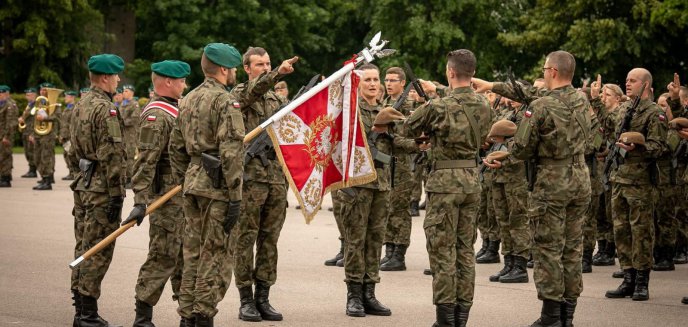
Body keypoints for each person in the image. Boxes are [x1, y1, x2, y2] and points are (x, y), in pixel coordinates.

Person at [474, 50, 591, 326]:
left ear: (552, 71)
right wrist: (492, 86)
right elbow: (595, 138)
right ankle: (567, 316)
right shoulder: (582, 101)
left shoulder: (541, 107)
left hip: (552, 181)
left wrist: (503, 156)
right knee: (573, 248)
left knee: (548, 249)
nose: (542, 73)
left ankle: (551, 317)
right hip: (580, 177)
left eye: (544, 69)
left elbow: (523, 147)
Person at [406, 49, 492, 327]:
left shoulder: (438, 106)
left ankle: (445, 319)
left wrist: (428, 101)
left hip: (444, 182)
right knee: (465, 250)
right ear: (474, 73)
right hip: (471, 179)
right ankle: (461, 317)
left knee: (443, 252)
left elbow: (409, 127)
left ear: (450, 72)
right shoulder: (484, 105)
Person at [169, 43, 245, 326]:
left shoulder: (187, 99)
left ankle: (187, 316)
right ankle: (202, 316)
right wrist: (235, 195)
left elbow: (175, 148)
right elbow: (231, 151)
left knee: (192, 254)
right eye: (234, 67)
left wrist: (184, 180)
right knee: (216, 256)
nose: (235, 72)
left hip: (193, 184)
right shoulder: (225, 102)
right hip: (218, 189)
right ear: (224, 69)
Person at [228, 46, 298, 322]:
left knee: (270, 240)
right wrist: (278, 74)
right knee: (245, 239)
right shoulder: (239, 95)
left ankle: (264, 297)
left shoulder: (276, 100)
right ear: (246, 68)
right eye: (260, 64)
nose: (266, 68)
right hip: (250, 179)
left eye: (269, 64)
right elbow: (253, 91)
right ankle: (246, 299)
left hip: (275, 179)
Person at [122, 60, 190, 327]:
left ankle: (188, 315)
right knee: (163, 256)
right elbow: (145, 162)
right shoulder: (157, 115)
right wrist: (140, 201)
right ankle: (143, 316)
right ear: (168, 82)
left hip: (182, 196)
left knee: (186, 258)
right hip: (167, 198)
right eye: (182, 81)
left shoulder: (176, 109)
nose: (185, 85)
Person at [69, 53, 127, 327]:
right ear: (105, 77)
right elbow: (113, 154)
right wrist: (117, 193)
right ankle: (87, 314)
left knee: (82, 245)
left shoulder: (80, 104)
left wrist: (81, 174)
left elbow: (70, 147)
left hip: (83, 183)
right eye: (116, 75)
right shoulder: (106, 109)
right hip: (102, 187)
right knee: (98, 249)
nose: (118, 80)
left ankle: (80, 306)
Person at [604, 68, 668, 302]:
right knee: (620, 230)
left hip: (640, 181)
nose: (627, 84)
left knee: (641, 231)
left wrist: (639, 147)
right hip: (619, 178)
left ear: (646, 84)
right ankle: (628, 277)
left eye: (633, 81)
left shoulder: (654, 113)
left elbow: (660, 147)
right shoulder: (624, 109)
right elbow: (608, 129)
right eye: (627, 80)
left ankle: (642, 281)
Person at [337, 63, 393, 319]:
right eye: (367, 79)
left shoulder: (387, 111)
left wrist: (417, 143)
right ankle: (354, 295)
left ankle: (370, 293)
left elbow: (398, 143)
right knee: (355, 239)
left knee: (375, 239)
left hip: (381, 184)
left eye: (376, 79)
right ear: (358, 84)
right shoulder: (350, 112)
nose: (373, 84)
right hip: (358, 185)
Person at [380, 66, 420, 271]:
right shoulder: (385, 102)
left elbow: (408, 136)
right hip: (386, 162)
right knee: (387, 207)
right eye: (386, 80)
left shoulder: (409, 105)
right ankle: (389, 251)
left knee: (400, 210)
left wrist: (390, 136)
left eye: (393, 80)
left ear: (403, 83)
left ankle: (399, 254)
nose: (388, 83)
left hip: (401, 164)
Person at [31, 82, 60, 190]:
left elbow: (57, 117)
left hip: (48, 135)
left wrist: (45, 119)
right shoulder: (39, 103)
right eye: (42, 90)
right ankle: (43, 178)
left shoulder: (54, 104)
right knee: (37, 157)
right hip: (38, 134)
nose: (43, 92)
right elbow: (35, 120)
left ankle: (47, 181)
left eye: (45, 90)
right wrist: (32, 134)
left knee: (46, 158)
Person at [120, 84, 141, 187]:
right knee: (124, 156)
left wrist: (121, 122)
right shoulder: (122, 104)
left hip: (131, 135)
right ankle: (125, 177)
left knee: (131, 157)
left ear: (132, 93)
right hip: (123, 135)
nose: (124, 93)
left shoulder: (134, 104)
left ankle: (131, 178)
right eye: (124, 91)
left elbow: (134, 119)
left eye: (127, 91)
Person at [0, 85, 18, 187]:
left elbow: (11, 122)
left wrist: (6, 136)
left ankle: (6, 179)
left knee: (5, 157)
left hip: (5, 135)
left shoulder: (10, 104)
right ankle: (3, 176)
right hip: (1, 135)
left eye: (1, 93)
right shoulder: (2, 104)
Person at [60, 91, 79, 180]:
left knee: (72, 155)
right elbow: (63, 123)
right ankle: (71, 172)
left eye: (67, 97)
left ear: (72, 97)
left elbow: (73, 124)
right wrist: (61, 135)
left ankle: (74, 173)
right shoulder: (67, 108)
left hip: (70, 136)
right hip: (65, 136)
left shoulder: (75, 108)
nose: (65, 98)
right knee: (66, 155)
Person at [18, 87, 37, 178]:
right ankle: (31, 169)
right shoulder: (29, 105)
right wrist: (22, 119)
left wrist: (33, 134)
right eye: (26, 95)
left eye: (29, 95)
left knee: (31, 151)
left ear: (34, 95)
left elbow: (36, 121)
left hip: (31, 132)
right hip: (25, 131)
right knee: (27, 151)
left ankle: (33, 170)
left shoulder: (36, 105)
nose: (27, 97)